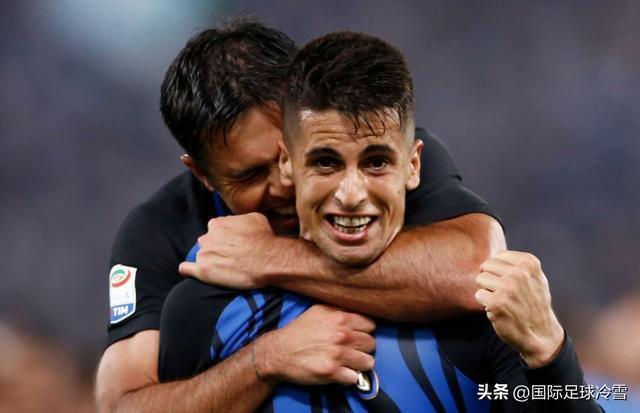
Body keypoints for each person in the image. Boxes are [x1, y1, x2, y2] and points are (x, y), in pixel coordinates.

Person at [158, 30, 602, 412]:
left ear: (413, 166)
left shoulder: (480, 315)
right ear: (288, 164)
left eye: (376, 162)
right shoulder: (202, 310)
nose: (351, 195)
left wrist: (550, 354)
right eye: (326, 162)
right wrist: (263, 361)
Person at [95, 20, 505, 412]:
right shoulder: (161, 230)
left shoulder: (378, 157)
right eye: (251, 175)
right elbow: (123, 405)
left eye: (292, 156)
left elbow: (477, 273)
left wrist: (267, 258)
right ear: (202, 174)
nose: (285, 184)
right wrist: (265, 360)